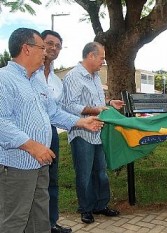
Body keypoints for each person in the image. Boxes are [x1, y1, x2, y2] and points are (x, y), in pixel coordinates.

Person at [0, 28, 103, 233]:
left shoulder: (37, 80)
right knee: (14, 221)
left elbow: (53, 113)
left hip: (41, 162)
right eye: (41, 48)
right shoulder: (4, 79)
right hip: (17, 165)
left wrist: (81, 122)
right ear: (26, 49)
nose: (46, 53)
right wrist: (30, 145)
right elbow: (1, 121)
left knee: (40, 217)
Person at [60, 42, 124, 224]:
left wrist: (110, 103)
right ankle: (86, 209)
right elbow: (68, 105)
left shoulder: (95, 76)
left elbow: (97, 102)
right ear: (90, 56)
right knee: (84, 174)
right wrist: (95, 111)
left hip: (97, 133)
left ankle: (101, 205)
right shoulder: (74, 76)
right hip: (81, 133)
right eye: (102, 57)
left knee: (100, 172)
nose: (103, 62)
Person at [33, 29, 72, 233]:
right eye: (49, 43)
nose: (53, 48)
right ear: (39, 44)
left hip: (51, 134)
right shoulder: (29, 75)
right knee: (30, 183)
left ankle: (51, 223)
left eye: (58, 45)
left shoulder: (57, 81)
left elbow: (60, 111)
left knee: (51, 181)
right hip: (30, 136)